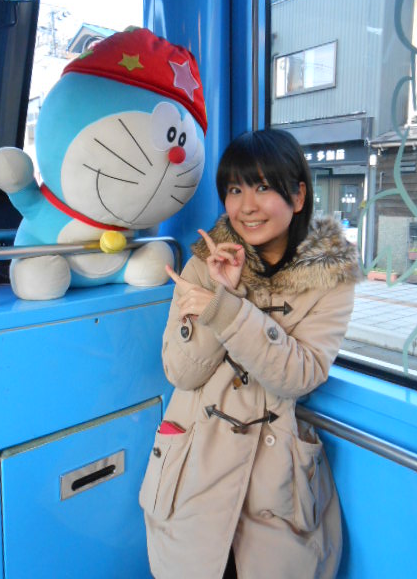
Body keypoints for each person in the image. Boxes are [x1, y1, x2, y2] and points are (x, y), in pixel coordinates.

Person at [139, 128, 361, 579]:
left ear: (298, 195)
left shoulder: (330, 278)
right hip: (193, 473)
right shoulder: (204, 263)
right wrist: (220, 290)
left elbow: (301, 375)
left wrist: (228, 310)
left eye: (262, 187)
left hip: (274, 483)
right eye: (235, 189)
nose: (246, 205)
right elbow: (181, 372)